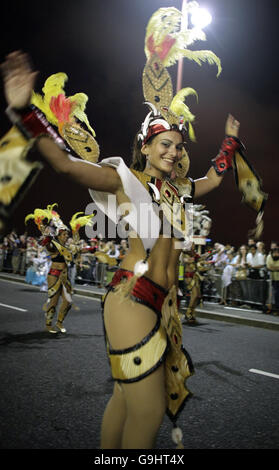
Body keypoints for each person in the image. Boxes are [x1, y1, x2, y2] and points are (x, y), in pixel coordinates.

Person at [1, 7, 264, 450]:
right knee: (147, 409)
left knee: (125, 400)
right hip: (130, 297)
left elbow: (217, 177)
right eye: (165, 144)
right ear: (147, 145)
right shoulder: (123, 180)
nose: (173, 152)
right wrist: (25, 110)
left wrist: (229, 142)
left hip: (162, 302)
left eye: (179, 146)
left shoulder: (179, 191)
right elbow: (65, 163)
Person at [266, 247, 279, 315]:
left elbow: (272, 267)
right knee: (275, 294)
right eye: (274, 253)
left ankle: (277, 308)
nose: (276, 254)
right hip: (273, 278)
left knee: (277, 293)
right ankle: (275, 308)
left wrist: (273, 268)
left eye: (277, 253)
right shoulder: (269, 257)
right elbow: (268, 267)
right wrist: (276, 268)